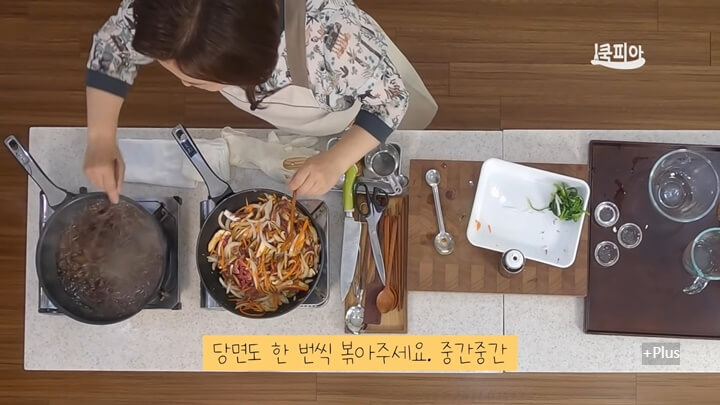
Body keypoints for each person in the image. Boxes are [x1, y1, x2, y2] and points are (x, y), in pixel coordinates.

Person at [84, 0, 437, 202]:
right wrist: (100, 139)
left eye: (196, 81)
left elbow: (389, 102)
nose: (185, 85)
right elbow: (114, 47)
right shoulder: (166, 8)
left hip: (355, 102)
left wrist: (336, 160)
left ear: (255, 64)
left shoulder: (333, 38)